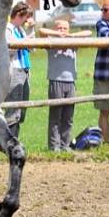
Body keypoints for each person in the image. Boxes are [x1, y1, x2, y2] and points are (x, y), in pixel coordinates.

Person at [40, 20, 91, 151]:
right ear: (55, 29)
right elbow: (42, 31)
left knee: (68, 117)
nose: (62, 30)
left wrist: (70, 36)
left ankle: (65, 145)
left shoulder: (73, 41)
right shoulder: (50, 41)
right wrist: (57, 34)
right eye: (60, 28)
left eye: (65, 28)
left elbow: (89, 32)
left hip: (71, 82)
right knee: (56, 116)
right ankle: (54, 147)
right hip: (56, 80)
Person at [4, 2, 34, 139]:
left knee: (22, 109)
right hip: (15, 70)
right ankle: (11, 141)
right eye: (25, 17)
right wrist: (25, 41)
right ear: (18, 15)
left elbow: (31, 48)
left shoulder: (21, 30)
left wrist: (30, 32)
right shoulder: (8, 30)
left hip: (25, 70)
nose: (27, 20)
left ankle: (15, 139)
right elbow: (8, 50)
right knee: (13, 109)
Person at [93, 0, 109, 142]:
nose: (102, 12)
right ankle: (106, 145)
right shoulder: (101, 23)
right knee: (104, 111)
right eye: (102, 10)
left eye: (105, 10)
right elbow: (107, 36)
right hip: (105, 75)